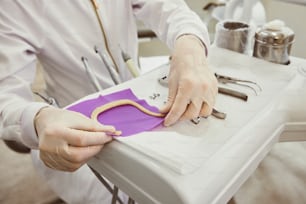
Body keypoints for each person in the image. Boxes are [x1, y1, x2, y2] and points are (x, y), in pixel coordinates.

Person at [0, 0, 218, 203]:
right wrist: (36, 119)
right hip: (76, 136)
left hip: (139, 111)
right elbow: (5, 96)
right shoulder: (15, 6)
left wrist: (190, 44)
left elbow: (170, 8)